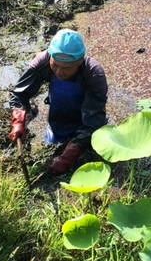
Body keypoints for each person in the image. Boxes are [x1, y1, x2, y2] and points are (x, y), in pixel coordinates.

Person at [9, 28, 108, 174]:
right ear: (50, 55)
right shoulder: (42, 62)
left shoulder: (93, 74)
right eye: (55, 65)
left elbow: (94, 121)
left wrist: (67, 157)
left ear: (79, 60)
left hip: (87, 125)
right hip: (57, 125)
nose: (59, 72)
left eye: (67, 68)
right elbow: (19, 94)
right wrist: (18, 122)